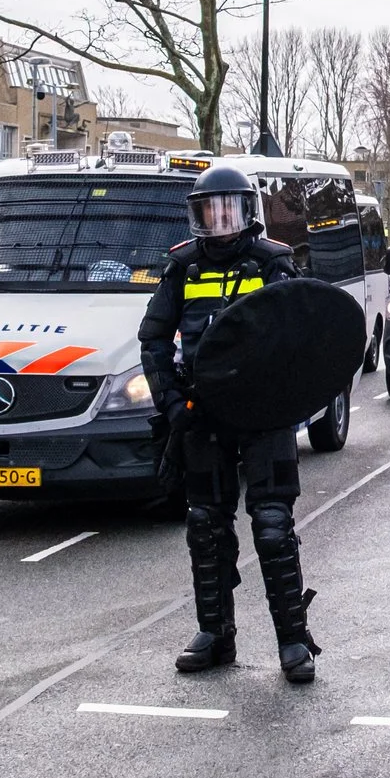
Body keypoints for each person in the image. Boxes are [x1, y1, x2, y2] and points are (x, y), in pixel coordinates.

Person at [140, 163, 320, 682]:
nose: (219, 221)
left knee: (271, 526)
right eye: (209, 211)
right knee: (205, 525)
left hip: (264, 415)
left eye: (228, 210)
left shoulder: (273, 264)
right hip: (204, 414)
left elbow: (306, 335)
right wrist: (172, 404)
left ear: (248, 213)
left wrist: (292, 399)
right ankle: (215, 634)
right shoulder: (183, 269)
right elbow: (152, 338)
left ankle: (293, 641)